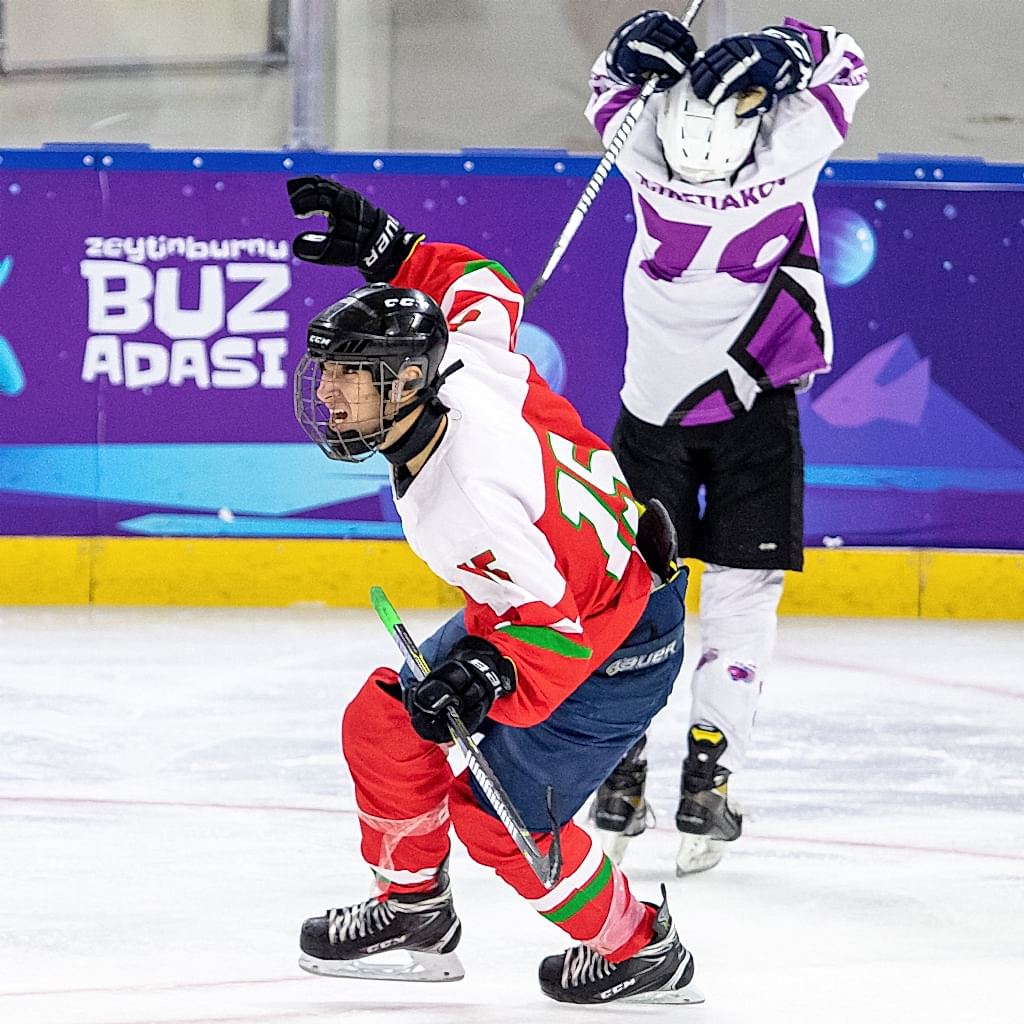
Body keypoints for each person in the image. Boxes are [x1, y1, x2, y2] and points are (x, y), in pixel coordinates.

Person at [285, 175, 702, 1004]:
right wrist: (397, 251)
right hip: (566, 592)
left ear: (406, 384)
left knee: (501, 822)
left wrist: (487, 675)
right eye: (327, 371)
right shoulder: (466, 364)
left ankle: (641, 949)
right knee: (384, 720)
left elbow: (554, 636)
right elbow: (483, 288)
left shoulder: (466, 502)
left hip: (615, 642)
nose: (326, 393)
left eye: (349, 376)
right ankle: (413, 910)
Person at [584, 11, 869, 874]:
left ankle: (619, 772)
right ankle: (707, 783)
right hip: (753, 410)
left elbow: (607, 83)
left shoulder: (637, 151)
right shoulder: (787, 153)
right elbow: (848, 63)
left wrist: (634, 42)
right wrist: (789, 46)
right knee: (742, 601)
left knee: (634, 594)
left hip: (653, 414)